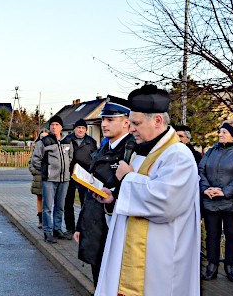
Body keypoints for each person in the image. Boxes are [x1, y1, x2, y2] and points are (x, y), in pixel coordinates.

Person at [93, 85, 200, 296]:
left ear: (158, 121)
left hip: (161, 259)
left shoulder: (178, 156)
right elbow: (134, 198)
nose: (131, 129)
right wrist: (113, 200)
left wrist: (127, 178)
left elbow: (165, 203)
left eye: (136, 123)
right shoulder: (143, 151)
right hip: (136, 253)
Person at [73, 100, 135, 286]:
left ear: (126, 122)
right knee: (98, 282)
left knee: (113, 283)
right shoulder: (104, 148)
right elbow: (90, 193)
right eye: (103, 120)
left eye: (110, 119)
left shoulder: (131, 151)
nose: (104, 124)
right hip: (94, 226)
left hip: (113, 230)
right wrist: (80, 226)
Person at [199, 119, 233, 282]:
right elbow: (201, 170)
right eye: (220, 131)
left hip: (232, 202)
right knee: (211, 235)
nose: (220, 134)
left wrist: (224, 192)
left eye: (224, 132)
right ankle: (211, 266)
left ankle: (230, 266)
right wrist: (206, 188)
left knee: (232, 235)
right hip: (210, 201)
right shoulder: (211, 151)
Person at [31, 115, 73, 243]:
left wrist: (64, 169)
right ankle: (48, 232)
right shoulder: (43, 142)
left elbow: (70, 158)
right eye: (52, 125)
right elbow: (35, 159)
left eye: (57, 125)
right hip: (49, 179)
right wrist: (45, 170)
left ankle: (57, 229)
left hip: (64, 179)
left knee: (60, 206)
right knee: (47, 207)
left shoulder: (67, 141)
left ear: (61, 127)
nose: (54, 127)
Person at [63, 118, 97, 234]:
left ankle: (83, 227)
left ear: (86, 130)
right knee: (68, 202)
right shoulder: (67, 140)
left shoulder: (91, 141)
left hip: (84, 174)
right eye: (78, 128)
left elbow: (95, 158)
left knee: (85, 202)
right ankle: (70, 228)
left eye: (83, 128)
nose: (81, 130)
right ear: (74, 129)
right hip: (70, 174)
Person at [29, 128, 50, 229]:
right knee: (39, 197)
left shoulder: (51, 146)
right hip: (38, 176)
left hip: (49, 176)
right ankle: (40, 219)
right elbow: (31, 162)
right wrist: (35, 172)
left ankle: (47, 219)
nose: (44, 139)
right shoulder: (36, 147)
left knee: (48, 199)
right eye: (42, 137)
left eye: (46, 136)